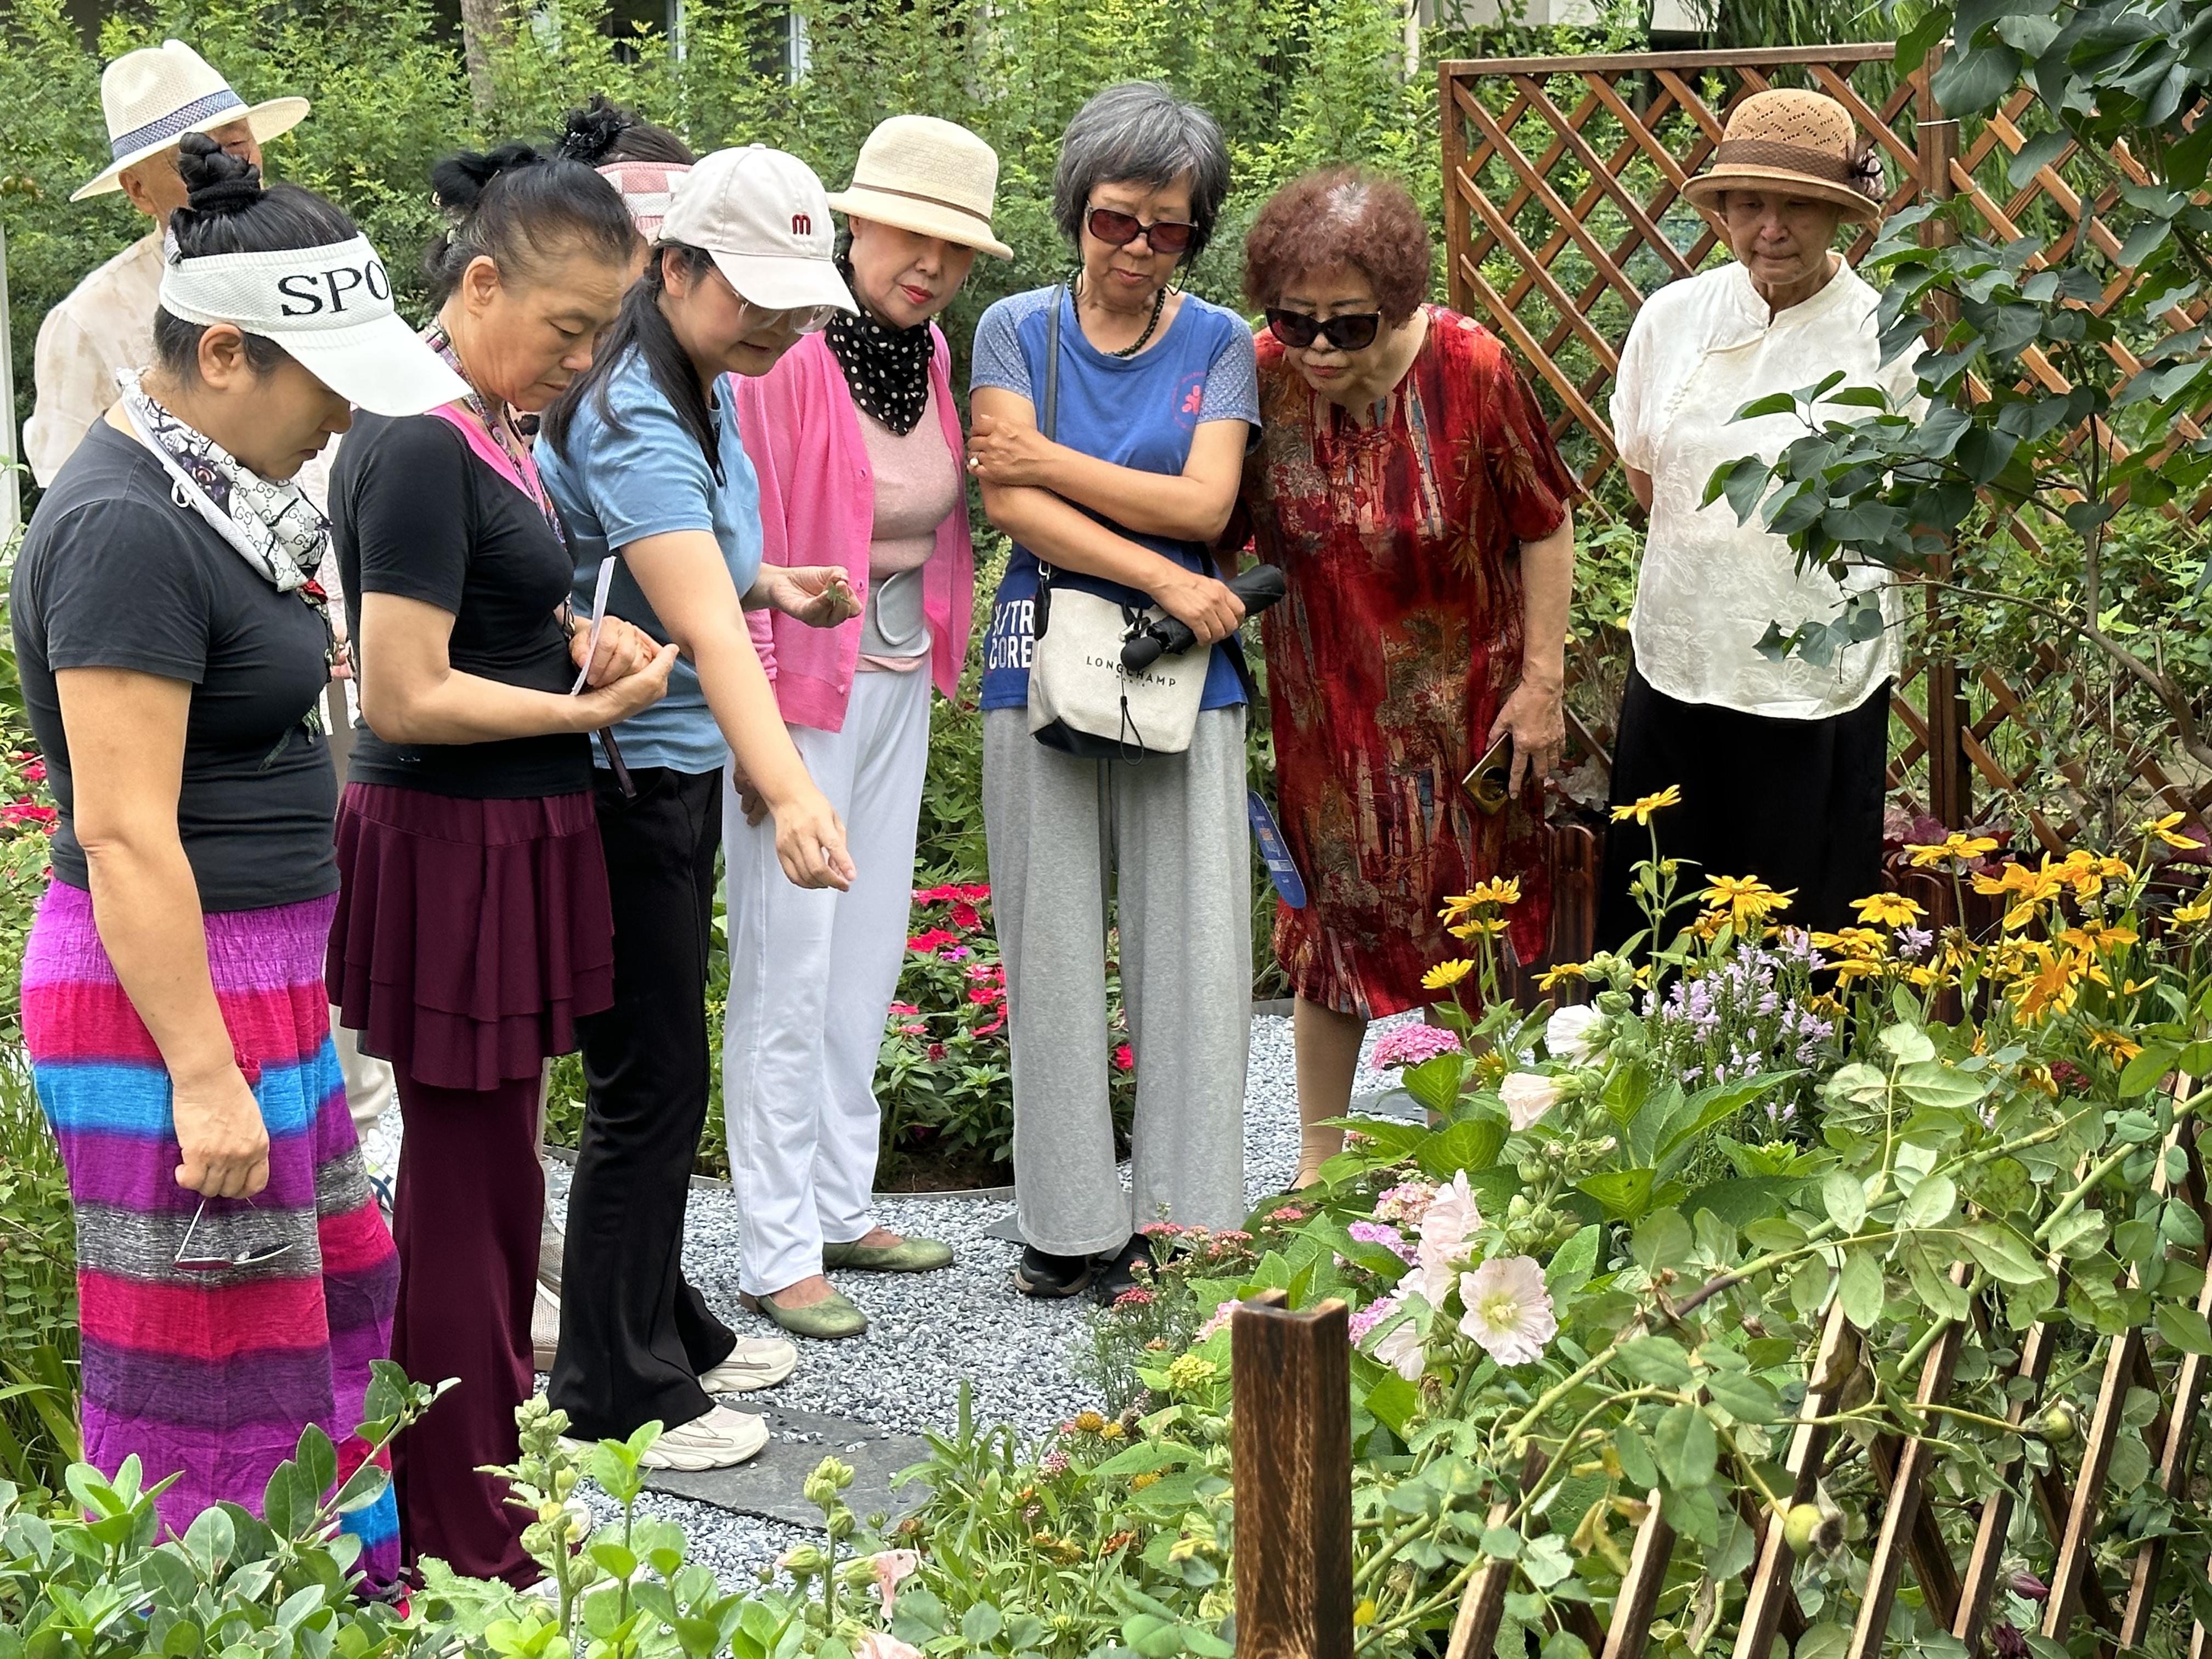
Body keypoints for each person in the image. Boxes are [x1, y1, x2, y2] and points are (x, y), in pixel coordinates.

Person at [14, 135, 463, 1582]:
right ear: (224, 356)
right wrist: (205, 1076)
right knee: (210, 1372)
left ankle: (339, 1602)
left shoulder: (221, 499)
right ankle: (212, 1617)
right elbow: (124, 828)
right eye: (326, 384)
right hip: (169, 1006)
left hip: (251, 986)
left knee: (322, 1321)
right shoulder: (123, 529)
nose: (340, 419)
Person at [326, 142, 679, 1585]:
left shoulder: (483, 422)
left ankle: (481, 1495)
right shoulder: (417, 436)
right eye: (569, 328)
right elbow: (403, 691)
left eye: (602, 334)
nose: (584, 361)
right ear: (480, 285)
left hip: (501, 836)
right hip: (453, 844)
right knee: (469, 1202)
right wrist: (581, 712)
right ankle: (461, 1534)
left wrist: (580, 636)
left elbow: (489, 618)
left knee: (496, 1185)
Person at [537, 146, 857, 1441]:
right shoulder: (633, 413)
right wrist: (792, 791)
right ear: (672, 268)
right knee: (649, 1080)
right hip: (618, 780)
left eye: (799, 300)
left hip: (665, 770)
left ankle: (660, 1328)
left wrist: (773, 581)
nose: (780, 321)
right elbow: (707, 634)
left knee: (662, 1068)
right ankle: (618, 1394)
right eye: (755, 294)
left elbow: (694, 574)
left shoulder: (697, 380)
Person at [964, 82, 1257, 1304]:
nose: (1137, 248)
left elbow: (1209, 502)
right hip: (1042, 653)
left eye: (1168, 229)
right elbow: (1009, 503)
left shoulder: (1221, 342)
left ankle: (1187, 1221)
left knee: (1196, 944)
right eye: (1114, 220)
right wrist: (1163, 570)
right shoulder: (1012, 328)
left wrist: (1051, 459)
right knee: (1046, 941)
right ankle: (1069, 1220)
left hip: (1189, 672)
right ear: (1074, 208)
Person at [720, 115, 1006, 1340]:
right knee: (787, 960)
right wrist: (754, 727)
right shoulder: (788, 352)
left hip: (892, 676)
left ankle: (841, 1200)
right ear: (855, 226)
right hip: (796, 688)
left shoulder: (925, 352)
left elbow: (936, 524)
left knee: (868, 950)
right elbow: (736, 536)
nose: (930, 264)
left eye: (955, 246)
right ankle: (775, 1244)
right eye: (908, 235)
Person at [1235, 167, 1578, 1188]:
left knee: (1468, 930)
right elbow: (1213, 521)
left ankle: (1469, 1158)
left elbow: (1545, 522)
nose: (1320, 347)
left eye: (1349, 324)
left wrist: (1543, 684)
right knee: (1325, 936)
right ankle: (1319, 1166)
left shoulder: (1472, 368)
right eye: (1295, 320)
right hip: (1325, 724)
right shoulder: (1260, 374)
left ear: (1397, 300)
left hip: (1464, 721)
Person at [1596, 89, 1918, 949]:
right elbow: (1649, 479)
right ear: (1724, 210)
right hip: (1678, 659)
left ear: (1839, 214)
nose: (1770, 228)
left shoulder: (1885, 337)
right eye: (1749, 204)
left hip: (1816, 682)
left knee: (1801, 942)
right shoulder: (1672, 319)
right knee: (1659, 927)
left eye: (1798, 206)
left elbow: (1914, 514)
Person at [27, 39, 309, 487]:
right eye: (194, 161)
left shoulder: (310, 263)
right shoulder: (87, 323)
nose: (229, 169)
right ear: (138, 190)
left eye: (237, 145)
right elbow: (74, 489)